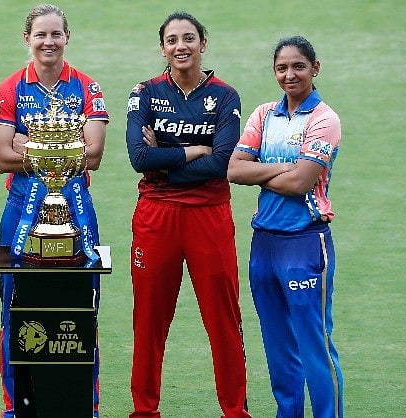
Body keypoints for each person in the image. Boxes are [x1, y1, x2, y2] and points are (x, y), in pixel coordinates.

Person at [125, 12, 251, 418]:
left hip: (209, 216)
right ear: (162, 47)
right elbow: (138, 157)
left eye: (189, 38)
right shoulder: (143, 93)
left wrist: (165, 161)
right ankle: (144, 411)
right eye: (173, 40)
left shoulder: (226, 96)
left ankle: (235, 411)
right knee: (148, 320)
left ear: (203, 43)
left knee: (223, 319)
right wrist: (193, 151)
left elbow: (221, 164)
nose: (181, 46)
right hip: (156, 217)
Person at [0, 4, 108, 417]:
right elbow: (1, 157)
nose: (48, 42)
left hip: (75, 206)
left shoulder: (88, 88)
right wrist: (62, 143)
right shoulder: (10, 89)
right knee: (14, 308)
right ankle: (14, 406)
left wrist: (29, 141)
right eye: (40, 35)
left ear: (67, 37)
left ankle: (86, 404)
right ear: (28, 39)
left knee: (83, 309)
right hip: (22, 209)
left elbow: (92, 155)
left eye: (55, 34)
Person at [227, 35, 344, 418]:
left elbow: (300, 184)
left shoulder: (325, 119)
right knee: (277, 346)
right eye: (282, 68)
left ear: (315, 68)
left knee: (314, 346)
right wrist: (282, 168)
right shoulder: (263, 114)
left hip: (305, 243)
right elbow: (233, 169)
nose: (289, 75)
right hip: (265, 244)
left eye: (298, 66)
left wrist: (260, 172)